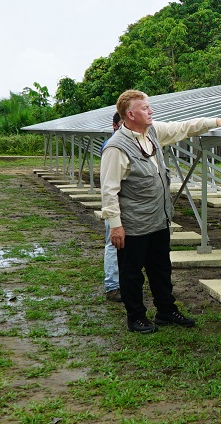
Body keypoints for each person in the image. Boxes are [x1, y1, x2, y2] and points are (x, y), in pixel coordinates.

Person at [100, 89, 221, 334]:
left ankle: (166, 310)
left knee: (161, 268)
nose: (150, 111)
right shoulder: (116, 147)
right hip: (133, 223)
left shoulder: (152, 132)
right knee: (131, 272)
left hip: (158, 219)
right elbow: (109, 190)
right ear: (130, 114)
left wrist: (216, 122)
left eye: (149, 107)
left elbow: (184, 127)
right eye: (145, 108)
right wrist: (116, 225)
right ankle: (136, 317)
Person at [103, 112, 122, 302]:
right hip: (115, 204)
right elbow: (109, 186)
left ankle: (117, 283)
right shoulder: (112, 146)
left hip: (124, 204)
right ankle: (112, 285)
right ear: (115, 125)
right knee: (113, 243)